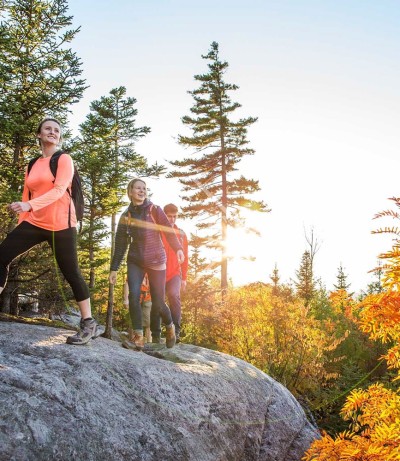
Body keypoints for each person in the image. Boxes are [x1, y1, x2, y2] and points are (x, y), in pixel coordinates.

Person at [0, 117, 99, 345]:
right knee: (2, 254)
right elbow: (28, 195)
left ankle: (88, 322)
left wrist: (28, 206)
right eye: (47, 129)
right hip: (34, 222)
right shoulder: (33, 163)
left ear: (59, 136)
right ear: (39, 134)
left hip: (61, 225)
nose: (52, 132)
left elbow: (59, 190)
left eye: (56, 130)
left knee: (71, 272)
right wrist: (21, 224)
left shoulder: (64, 159)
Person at [109, 178, 184, 351]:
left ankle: (170, 326)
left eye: (144, 188)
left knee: (158, 302)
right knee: (134, 295)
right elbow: (120, 245)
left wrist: (178, 248)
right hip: (135, 260)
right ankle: (138, 337)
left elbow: (168, 229)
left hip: (157, 259)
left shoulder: (155, 210)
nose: (142, 191)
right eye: (138, 188)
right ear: (130, 192)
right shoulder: (126, 216)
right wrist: (114, 268)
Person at [162, 203, 188, 343]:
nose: (172, 219)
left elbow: (185, 257)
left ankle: (176, 332)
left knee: (173, 295)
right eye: (169, 216)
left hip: (174, 274)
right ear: (164, 216)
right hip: (158, 272)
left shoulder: (181, 235)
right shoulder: (159, 231)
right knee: (157, 302)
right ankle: (164, 329)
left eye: (175, 216)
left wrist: (184, 277)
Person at [123, 273, 152, 343]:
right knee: (134, 319)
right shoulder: (135, 268)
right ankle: (132, 341)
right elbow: (127, 284)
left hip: (148, 298)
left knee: (149, 322)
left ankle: (149, 342)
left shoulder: (152, 269)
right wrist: (126, 299)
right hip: (135, 298)